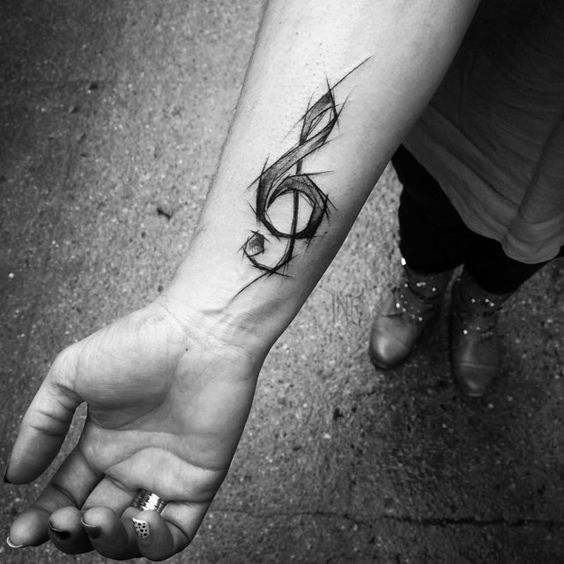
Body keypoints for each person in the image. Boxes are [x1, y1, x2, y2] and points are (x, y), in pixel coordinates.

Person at [3, 0, 561, 561]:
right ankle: (423, 287)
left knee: (530, 242)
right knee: (434, 209)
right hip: (482, 81)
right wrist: (210, 325)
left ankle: (482, 302)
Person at [369, 0, 564, 397]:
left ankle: (480, 302)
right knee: (434, 192)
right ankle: (422, 285)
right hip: (496, 52)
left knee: (543, 229)